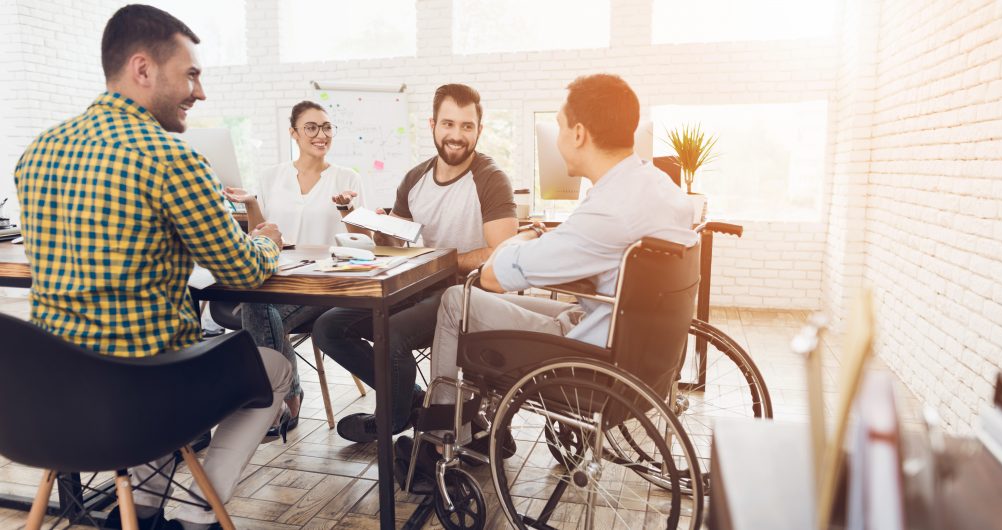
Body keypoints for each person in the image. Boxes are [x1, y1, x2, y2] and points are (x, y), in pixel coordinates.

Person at [13, 6, 290, 530]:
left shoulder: (35, 153)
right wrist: (268, 240)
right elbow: (242, 269)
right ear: (143, 69)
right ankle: (194, 507)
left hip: (51, 399)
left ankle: (136, 511)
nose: (200, 92)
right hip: (144, 397)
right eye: (191, 74)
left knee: (139, 359)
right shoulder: (170, 158)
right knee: (273, 368)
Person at [399, 74, 699, 476]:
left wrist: (521, 239)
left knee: (458, 300)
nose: (557, 138)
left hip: (593, 354)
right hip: (632, 341)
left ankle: (442, 444)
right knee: (502, 302)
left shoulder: (607, 211)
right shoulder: (658, 186)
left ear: (578, 133)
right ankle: (476, 422)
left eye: (558, 126)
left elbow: (494, 275)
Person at [312, 83, 517, 443]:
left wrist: (440, 261)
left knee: (391, 334)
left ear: (479, 131)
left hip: (470, 294)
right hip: (422, 286)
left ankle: (388, 421)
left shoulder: (490, 178)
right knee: (329, 327)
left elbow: (503, 252)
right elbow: (395, 247)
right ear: (433, 124)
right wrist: (371, 227)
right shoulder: (414, 179)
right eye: (448, 124)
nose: (456, 135)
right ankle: (408, 401)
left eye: (467, 126)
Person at [221, 100, 365, 437]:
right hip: (280, 280)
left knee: (255, 313)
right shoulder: (272, 176)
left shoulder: (347, 177)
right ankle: (289, 394)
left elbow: (363, 244)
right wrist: (253, 204)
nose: (321, 134)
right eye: (311, 128)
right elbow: (262, 233)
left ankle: (279, 400)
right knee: (259, 305)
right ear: (294, 133)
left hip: (326, 285)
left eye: (327, 127)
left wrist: (347, 211)